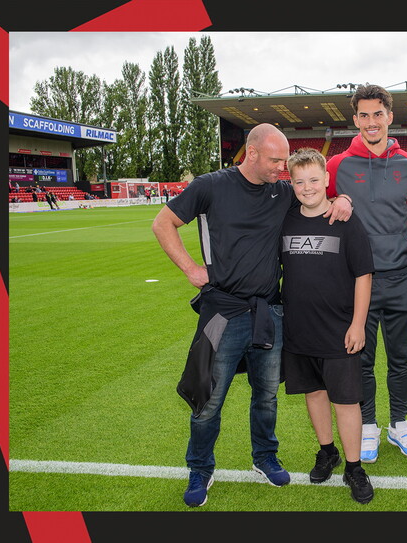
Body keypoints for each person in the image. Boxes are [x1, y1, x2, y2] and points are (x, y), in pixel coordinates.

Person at [152, 123, 351, 507]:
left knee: (266, 396)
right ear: (252, 152)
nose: (282, 167)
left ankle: (264, 456)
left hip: (269, 311)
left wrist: (343, 198)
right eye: (275, 160)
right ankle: (200, 468)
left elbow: (316, 201)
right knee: (208, 399)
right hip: (222, 312)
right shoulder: (211, 185)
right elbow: (163, 223)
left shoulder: (282, 191)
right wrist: (191, 270)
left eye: (285, 160)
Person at [326, 83, 407, 463]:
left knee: (401, 360)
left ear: (390, 117)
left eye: (378, 114)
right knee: (361, 360)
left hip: (402, 277)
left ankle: (399, 424)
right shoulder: (337, 165)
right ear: (355, 120)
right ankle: (368, 426)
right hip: (357, 282)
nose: (371, 122)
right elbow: (317, 201)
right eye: (364, 115)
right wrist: (338, 198)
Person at [280, 147, 376, 504]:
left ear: (327, 180)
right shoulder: (286, 220)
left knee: (346, 401)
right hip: (298, 329)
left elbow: (363, 275)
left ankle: (354, 467)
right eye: (299, 182)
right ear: (292, 184)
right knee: (314, 393)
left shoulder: (346, 221)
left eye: (313, 180)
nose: (307, 188)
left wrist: (358, 324)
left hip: (339, 330)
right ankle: (327, 451)